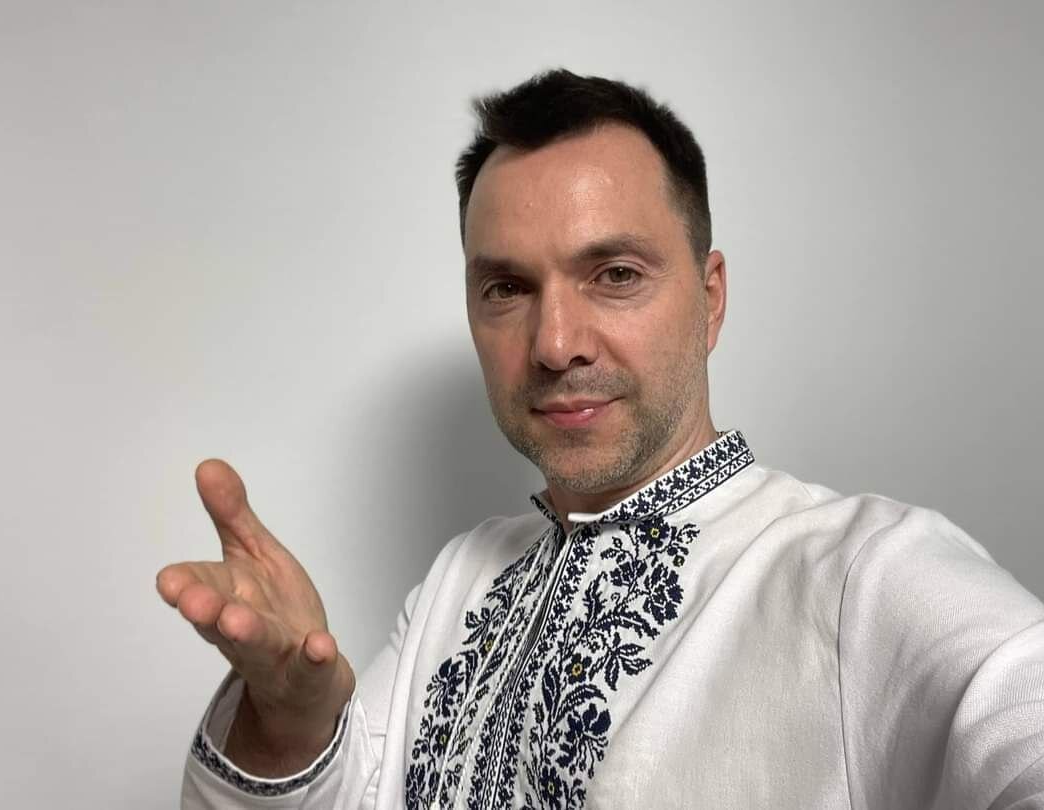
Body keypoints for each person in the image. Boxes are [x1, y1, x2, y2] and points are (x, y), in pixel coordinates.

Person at [157, 70, 1044, 809]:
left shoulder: (859, 573)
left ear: (710, 300)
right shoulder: (459, 582)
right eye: (507, 289)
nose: (554, 344)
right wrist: (288, 725)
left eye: (615, 275)